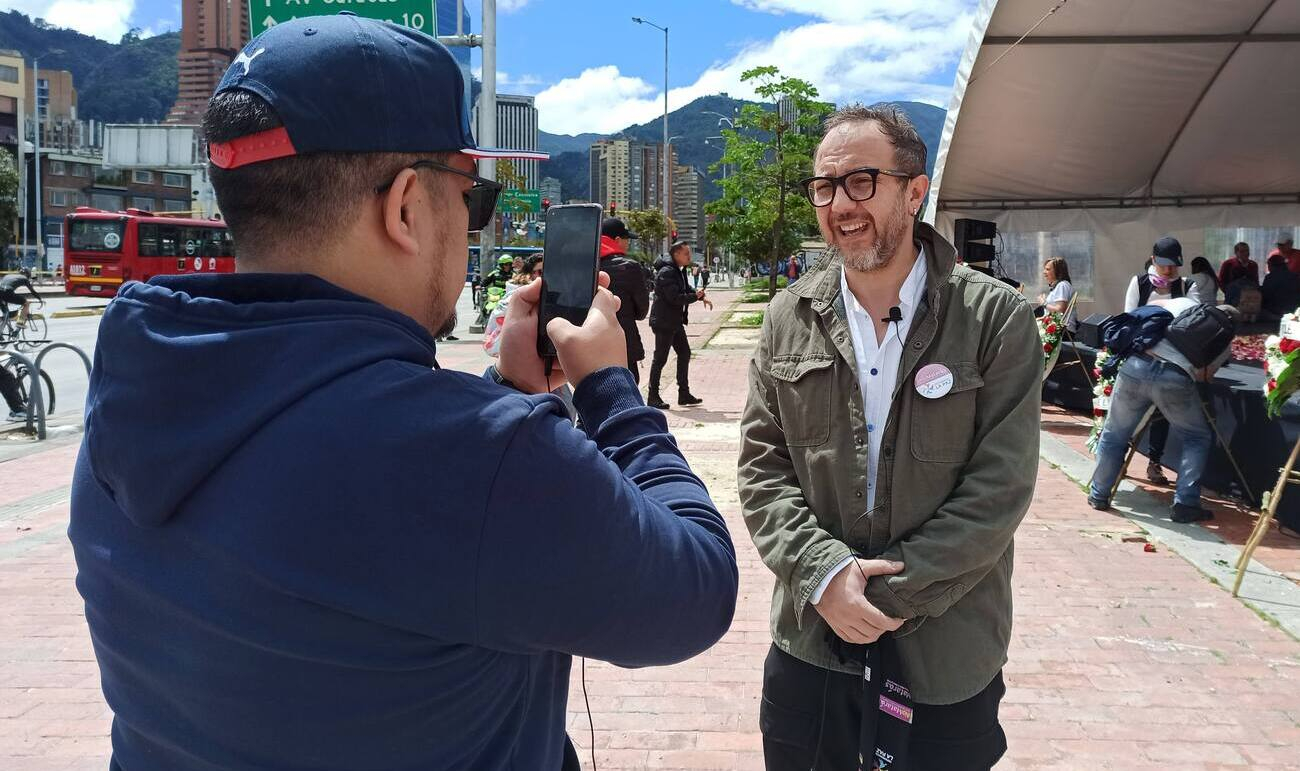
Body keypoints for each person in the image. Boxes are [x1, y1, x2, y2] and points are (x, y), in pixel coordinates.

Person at [67, 16, 738, 771]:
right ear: (408, 206)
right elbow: (697, 588)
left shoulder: (129, 405)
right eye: (471, 198)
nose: (470, 220)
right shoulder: (484, 456)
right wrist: (612, 390)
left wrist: (510, 388)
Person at [739, 104, 1040, 771]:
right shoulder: (791, 314)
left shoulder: (995, 319)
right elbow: (763, 469)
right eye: (825, 185)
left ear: (914, 189)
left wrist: (876, 596)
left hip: (943, 654)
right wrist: (824, 576)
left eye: (861, 181)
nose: (840, 203)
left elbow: (1000, 490)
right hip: (811, 645)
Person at [1089, 299, 1240, 522]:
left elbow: (1150, 317)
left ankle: (1098, 494)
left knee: (1114, 435)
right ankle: (1185, 504)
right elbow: (1204, 377)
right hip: (1175, 378)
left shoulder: (1188, 309)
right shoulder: (1224, 340)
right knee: (1196, 437)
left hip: (1136, 366)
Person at [1123, 237, 1191, 488]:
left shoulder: (1187, 286)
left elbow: (1191, 324)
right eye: (1164, 265)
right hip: (1139, 359)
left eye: (1173, 265)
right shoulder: (1139, 284)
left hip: (1171, 361)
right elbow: (1129, 318)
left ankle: (1154, 461)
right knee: (1130, 413)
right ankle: (1121, 455)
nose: (1169, 270)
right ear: (1153, 260)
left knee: (1161, 415)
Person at [647, 240, 711, 410]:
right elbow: (674, 297)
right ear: (676, 254)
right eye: (686, 254)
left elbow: (686, 288)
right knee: (660, 359)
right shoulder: (667, 272)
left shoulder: (678, 270)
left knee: (684, 353)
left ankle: (684, 393)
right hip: (663, 322)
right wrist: (695, 297)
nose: (689, 257)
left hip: (674, 322)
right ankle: (652, 396)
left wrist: (700, 296)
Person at [598, 217, 651, 382]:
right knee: (629, 384)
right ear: (617, 240)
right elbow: (642, 311)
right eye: (627, 239)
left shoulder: (587, 265)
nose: (628, 244)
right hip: (623, 340)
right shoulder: (630, 267)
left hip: (592, 341)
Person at [1038, 256, 1076, 331]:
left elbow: (1060, 311)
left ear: (1058, 271)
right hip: (1056, 329)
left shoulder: (1062, 285)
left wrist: (1044, 303)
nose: (1044, 272)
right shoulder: (1058, 286)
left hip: (1062, 332)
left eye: (1048, 269)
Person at [1261, 254, 1300, 322]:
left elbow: (1265, 296)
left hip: (1275, 314)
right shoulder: (1295, 276)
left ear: (1271, 265)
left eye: (1268, 265)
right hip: (1294, 313)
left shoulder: (1270, 278)